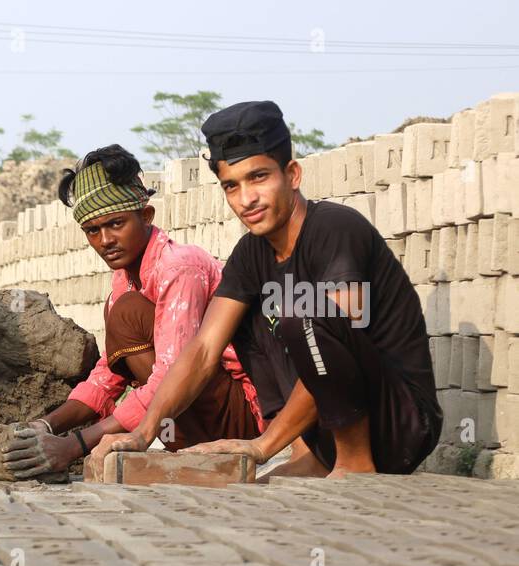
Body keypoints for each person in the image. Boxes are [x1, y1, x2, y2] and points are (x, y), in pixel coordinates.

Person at [92, 101, 442, 478]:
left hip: (399, 423)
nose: (246, 199)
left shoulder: (338, 230)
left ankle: (354, 463)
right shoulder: (251, 255)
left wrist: (262, 446)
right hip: (323, 428)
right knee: (241, 318)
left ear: (292, 174)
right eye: (232, 186)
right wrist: (144, 432)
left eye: (258, 177)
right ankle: (306, 454)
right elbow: (204, 349)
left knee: (306, 315)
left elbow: (341, 332)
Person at [0, 145, 261, 480]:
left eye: (116, 224)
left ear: (145, 216)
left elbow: (175, 373)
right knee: (125, 311)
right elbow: (107, 377)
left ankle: (195, 446)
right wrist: (43, 425)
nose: (105, 240)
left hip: (243, 415)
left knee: (128, 313)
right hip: (183, 414)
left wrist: (75, 445)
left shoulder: (180, 268)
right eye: (92, 230)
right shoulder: (124, 280)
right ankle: (179, 444)